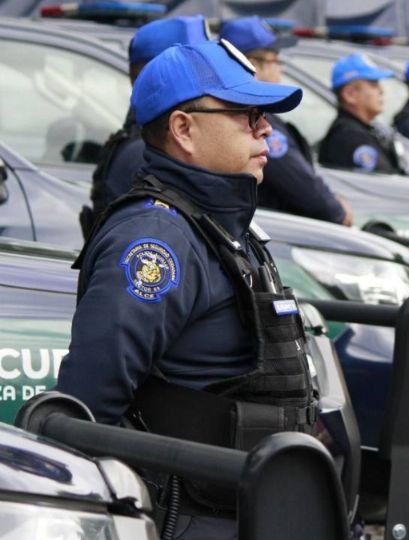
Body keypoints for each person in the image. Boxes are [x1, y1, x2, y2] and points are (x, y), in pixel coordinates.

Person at [57, 41, 312, 539]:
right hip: (198, 516)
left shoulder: (222, 223)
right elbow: (88, 404)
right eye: (246, 114)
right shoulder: (156, 240)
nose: (266, 129)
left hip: (253, 506)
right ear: (184, 129)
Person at [84, 15, 212, 239]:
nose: (211, 75)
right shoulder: (148, 151)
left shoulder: (152, 138)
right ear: (162, 73)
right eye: (198, 66)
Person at [221, 16, 352, 225]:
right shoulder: (252, 119)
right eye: (276, 60)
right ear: (253, 65)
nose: (281, 68)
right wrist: (337, 212)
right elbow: (301, 184)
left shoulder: (237, 112)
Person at [317, 53, 400, 173]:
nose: (381, 90)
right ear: (350, 95)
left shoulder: (359, 129)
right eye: (373, 85)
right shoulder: (350, 136)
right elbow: (383, 184)